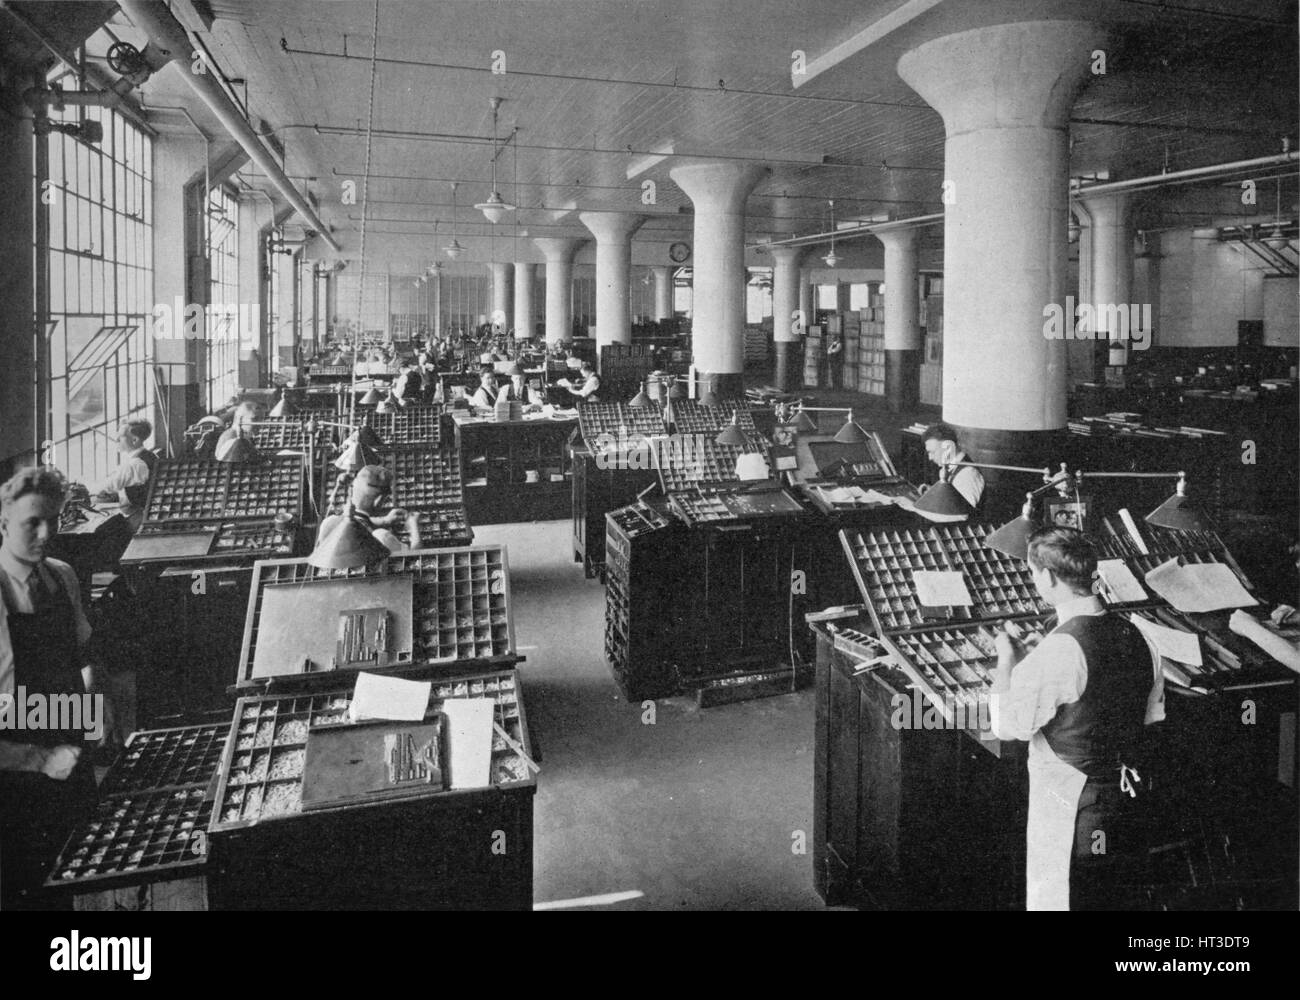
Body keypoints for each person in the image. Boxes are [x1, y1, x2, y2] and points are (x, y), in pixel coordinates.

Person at [989, 526, 1162, 911]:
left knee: (1062, 900)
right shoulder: (1140, 636)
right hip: (1124, 804)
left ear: (1048, 577)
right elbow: (1148, 715)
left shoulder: (1060, 651)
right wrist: (1044, 657)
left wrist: (1007, 660)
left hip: (1069, 807)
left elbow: (1006, 726)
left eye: (1033, 572)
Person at [0, 468, 108, 909]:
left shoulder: (62, 576)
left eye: (55, 520)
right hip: (14, 773)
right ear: (3, 524)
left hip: (70, 749)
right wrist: (40, 758)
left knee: (75, 871)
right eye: (32, 524)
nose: (47, 534)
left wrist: (96, 711)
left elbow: (83, 656)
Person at [318, 466, 421, 553]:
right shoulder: (382, 538)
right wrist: (414, 526)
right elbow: (415, 558)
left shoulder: (328, 523)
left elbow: (358, 521)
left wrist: (385, 520)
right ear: (378, 499)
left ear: (352, 490)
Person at [94, 419, 157, 527]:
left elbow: (107, 487)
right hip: (147, 509)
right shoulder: (149, 455)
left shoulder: (134, 464)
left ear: (134, 440)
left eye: (121, 436)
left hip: (137, 515)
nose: (116, 439)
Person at [921, 422, 985, 510]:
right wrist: (933, 494)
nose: (930, 458)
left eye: (932, 452)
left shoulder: (967, 474)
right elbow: (953, 501)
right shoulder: (951, 468)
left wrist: (914, 507)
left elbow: (961, 515)